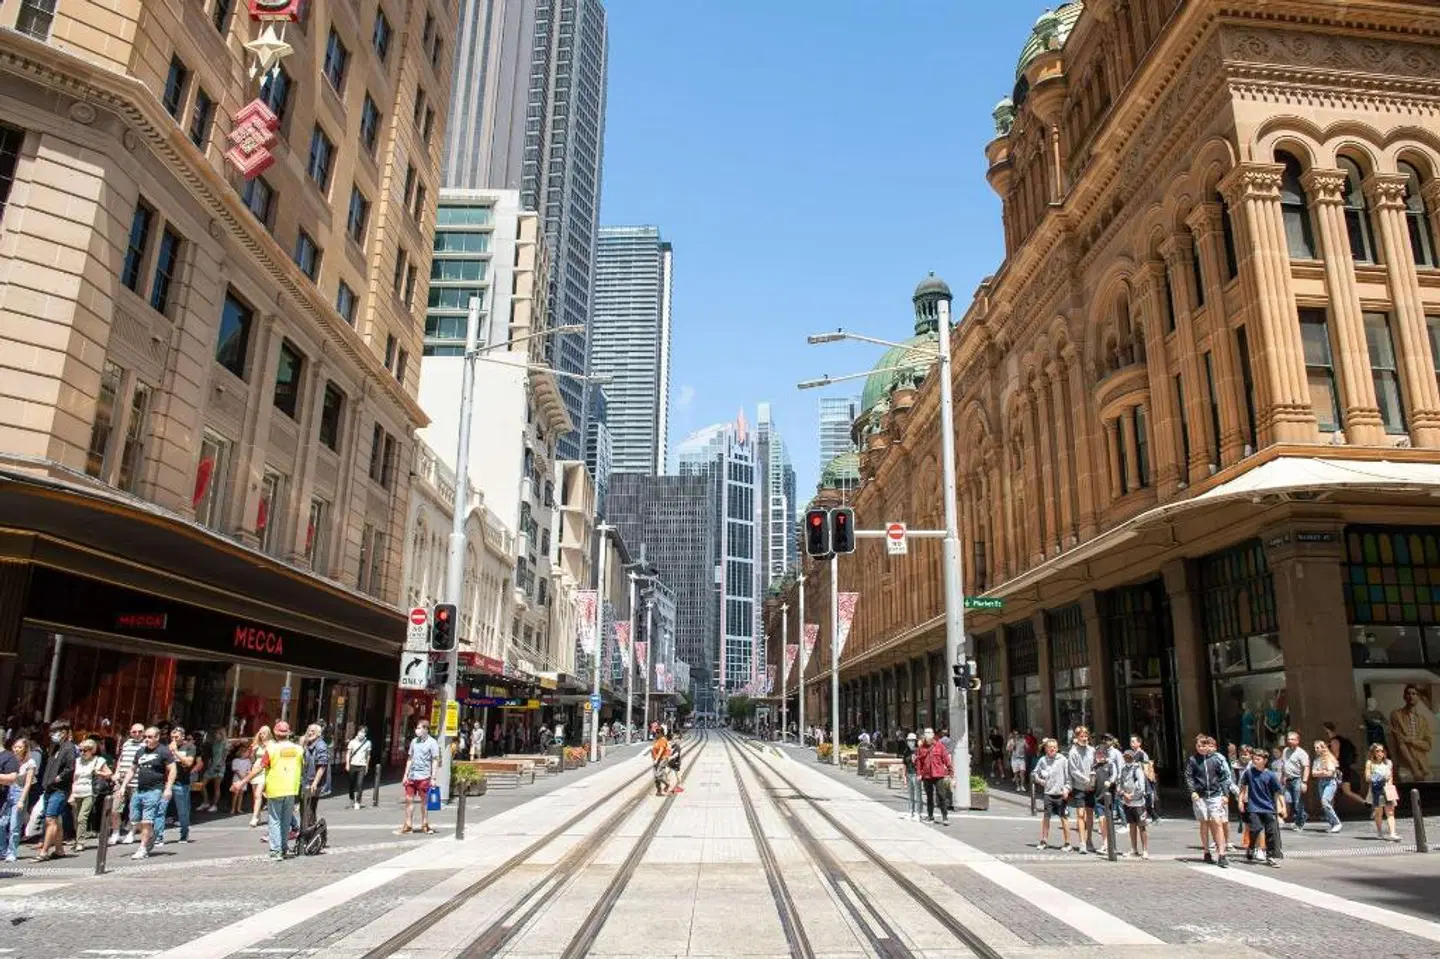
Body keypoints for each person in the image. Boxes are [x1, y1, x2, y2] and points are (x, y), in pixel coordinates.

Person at [230, 720, 304, 861]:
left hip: (275, 788)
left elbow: (258, 768)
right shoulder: (298, 749)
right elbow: (304, 767)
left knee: (275, 820)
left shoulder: (271, 749)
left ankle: (276, 851)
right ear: (288, 733)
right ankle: (283, 848)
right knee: (286, 820)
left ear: (275, 733)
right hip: (291, 789)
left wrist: (242, 781)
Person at [116, 727, 175, 860]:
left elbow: (172, 769)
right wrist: (123, 786)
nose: (147, 739)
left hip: (154, 790)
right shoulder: (141, 751)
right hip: (139, 790)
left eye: (150, 737)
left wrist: (168, 788)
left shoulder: (163, 751)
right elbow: (132, 769)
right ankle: (152, 834)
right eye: (146, 737)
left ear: (157, 737)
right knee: (134, 819)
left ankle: (142, 849)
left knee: (146, 821)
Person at [1184, 734, 1232, 868]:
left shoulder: (1216, 759)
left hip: (1215, 795)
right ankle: (1206, 851)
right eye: (1199, 746)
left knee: (1217, 821)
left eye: (1204, 745)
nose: (1202, 748)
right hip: (1200, 796)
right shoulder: (1193, 760)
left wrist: (1225, 794)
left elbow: (1223, 777)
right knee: (1204, 822)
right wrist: (1192, 791)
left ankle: (1222, 854)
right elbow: (1189, 776)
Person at [36, 719, 76, 861]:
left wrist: (58, 778)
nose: (52, 735)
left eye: (55, 732)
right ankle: (59, 850)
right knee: (56, 820)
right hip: (49, 787)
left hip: (59, 789)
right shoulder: (56, 747)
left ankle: (44, 851)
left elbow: (70, 768)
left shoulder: (69, 747)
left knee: (50, 819)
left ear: (63, 732)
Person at [1238, 749, 1283, 866]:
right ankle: (1251, 847)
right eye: (1254, 759)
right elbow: (1243, 787)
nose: (1255, 761)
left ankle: (1271, 856)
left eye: (1258, 759)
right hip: (1254, 807)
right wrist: (1240, 801)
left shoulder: (1271, 775)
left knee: (1271, 832)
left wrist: (1282, 807)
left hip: (1268, 807)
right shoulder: (1248, 773)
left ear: (1265, 760)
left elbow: (1278, 792)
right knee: (1255, 829)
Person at [68, 738, 110, 853]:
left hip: (89, 792)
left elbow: (109, 773)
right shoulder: (77, 761)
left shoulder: (98, 760)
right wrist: (72, 793)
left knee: (82, 817)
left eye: (85, 751)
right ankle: (78, 840)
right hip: (77, 791)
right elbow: (74, 779)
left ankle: (81, 842)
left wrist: (99, 772)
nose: (82, 753)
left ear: (92, 750)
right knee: (76, 818)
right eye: (80, 750)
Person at [1031, 738, 1072, 851]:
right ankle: (1044, 841)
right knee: (1046, 817)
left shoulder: (1063, 760)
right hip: (1048, 793)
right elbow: (1034, 773)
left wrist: (1066, 789)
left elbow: (1069, 777)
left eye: (1054, 747)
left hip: (1060, 793)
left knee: (1064, 818)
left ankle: (1068, 843)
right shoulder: (1042, 760)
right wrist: (1040, 781)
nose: (1052, 749)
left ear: (1057, 748)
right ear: (1046, 749)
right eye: (1050, 747)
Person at [1388, 684, 1434, 783]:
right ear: (1404, 696)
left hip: (1423, 765)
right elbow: (1400, 742)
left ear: (1418, 697)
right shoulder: (1396, 714)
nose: (1411, 696)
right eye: (1408, 693)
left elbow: (1428, 746)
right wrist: (1414, 769)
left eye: (1414, 693)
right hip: (1405, 766)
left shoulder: (1423, 720)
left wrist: (1411, 740)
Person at [109, 723, 145, 845]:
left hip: (137, 781)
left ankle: (131, 833)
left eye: (140, 731)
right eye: (134, 732)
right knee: (115, 808)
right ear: (130, 732)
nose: (137, 734)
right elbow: (121, 759)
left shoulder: (146, 745)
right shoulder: (126, 743)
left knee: (134, 810)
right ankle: (116, 833)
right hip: (121, 780)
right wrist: (117, 772)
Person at [402, 721, 440, 834]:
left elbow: (435, 760)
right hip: (412, 775)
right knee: (409, 799)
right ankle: (408, 824)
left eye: (419, 728)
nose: (417, 730)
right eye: (417, 728)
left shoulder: (432, 743)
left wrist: (433, 777)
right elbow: (410, 758)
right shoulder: (414, 741)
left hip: (424, 776)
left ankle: (425, 823)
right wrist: (405, 774)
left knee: (424, 801)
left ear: (426, 729)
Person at [1065, 727, 1097, 853]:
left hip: (1091, 787)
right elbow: (1073, 771)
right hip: (1079, 787)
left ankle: (1089, 840)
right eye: (1081, 736)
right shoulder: (1073, 752)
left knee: (1090, 814)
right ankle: (1082, 842)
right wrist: (1086, 781)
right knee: (1080, 814)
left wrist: (1092, 781)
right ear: (1077, 737)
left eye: (1085, 736)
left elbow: (1095, 765)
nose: (1084, 738)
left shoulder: (1092, 750)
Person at [1364, 743, 1403, 842]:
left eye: (1382, 750)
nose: (1380, 753)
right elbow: (1367, 778)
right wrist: (1380, 778)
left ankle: (1393, 833)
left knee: (1390, 812)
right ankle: (1379, 831)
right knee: (1379, 813)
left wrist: (1390, 788)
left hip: (1387, 789)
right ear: (1373, 752)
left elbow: (1391, 777)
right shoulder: (1370, 763)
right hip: (1377, 790)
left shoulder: (1388, 763)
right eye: (1377, 751)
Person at [5, 739, 35, 862]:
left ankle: (12, 852)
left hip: (19, 792)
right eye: (15, 746)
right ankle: (2, 849)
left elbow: (28, 784)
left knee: (14, 825)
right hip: (7, 792)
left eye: (19, 747)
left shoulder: (30, 762)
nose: (16, 749)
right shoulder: (10, 759)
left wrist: (22, 800)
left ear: (25, 749)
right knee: (2, 823)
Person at [164, 726, 196, 844]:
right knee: (161, 810)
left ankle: (184, 833)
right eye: (172, 737)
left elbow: (189, 762)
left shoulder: (189, 747)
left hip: (181, 783)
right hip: (167, 782)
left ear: (182, 736)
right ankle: (158, 837)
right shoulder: (166, 748)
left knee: (183, 811)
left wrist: (175, 752)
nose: (174, 739)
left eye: (176, 737)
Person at [916, 728, 953, 825]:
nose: (927, 734)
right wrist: (919, 774)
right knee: (929, 796)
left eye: (929, 732)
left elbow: (946, 759)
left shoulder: (939, 746)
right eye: (925, 733)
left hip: (938, 774)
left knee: (941, 795)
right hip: (927, 775)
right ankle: (930, 816)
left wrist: (951, 772)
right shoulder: (921, 748)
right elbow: (919, 762)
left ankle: (945, 817)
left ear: (933, 734)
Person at [1118, 749, 1149, 859]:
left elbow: (1141, 786)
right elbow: (1120, 784)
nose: (1127, 759)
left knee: (1142, 826)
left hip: (1138, 803)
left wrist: (1132, 796)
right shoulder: (1123, 769)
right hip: (1127, 803)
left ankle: (1145, 850)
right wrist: (1123, 794)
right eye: (1125, 757)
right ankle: (1134, 849)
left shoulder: (1137, 769)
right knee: (1131, 826)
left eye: (1129, 757)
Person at [1278, 731, 1309, 831]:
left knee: (1297, 802)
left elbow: (1306, 767)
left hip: (1297, 779)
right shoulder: (1286, 750)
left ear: (1297, 741)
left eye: (1292, 739)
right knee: (1288, 800)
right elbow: (1284, 764)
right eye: (1288, 739)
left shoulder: (1301, 753)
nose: (1289, 741)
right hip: (1287, 780)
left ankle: (1299, 823)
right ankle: (1303, 815)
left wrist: (1304, 782)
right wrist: (1282, 777)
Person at [300, 724, 329, 830]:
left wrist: (315, 783)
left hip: (312, 782)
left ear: (318, 733)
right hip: (306, 781)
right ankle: (310, 834)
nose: (310, 733)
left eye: (313, 731)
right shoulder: (308, 744)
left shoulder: (320, 745)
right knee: (307, 809)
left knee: (308, 810)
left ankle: (309, 835)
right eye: (309, 730)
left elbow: (322, 765)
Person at [1311, 738, 1342, 833]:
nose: (1316, 749)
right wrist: (1323, 772)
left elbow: (1330, 773)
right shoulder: (1316, 760)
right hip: (1321, 783)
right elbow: (1313, 773)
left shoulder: (1329, 758)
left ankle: (1337, 823)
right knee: (1327, 804)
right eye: (1315, 748)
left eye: (1318, 747)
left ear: (1323, 748)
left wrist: (1319, 772)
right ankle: (1333, 825)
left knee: (1325, 802)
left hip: (1330, 783)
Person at [1091, 740, 1116, 857]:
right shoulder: (1094, 767)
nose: (1099, 756)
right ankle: (1105, 843)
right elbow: (1092, 782)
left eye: (1101, 754)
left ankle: (1111, 845)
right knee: (1101, 821)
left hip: (1108, 797)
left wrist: (1110, 782)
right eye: (1097, 754)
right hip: (1098, 797)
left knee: (1108, 820)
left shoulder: (1110, 765)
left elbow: (1114, 776)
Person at [247, 726, 272, 827]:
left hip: (264, 770)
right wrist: (253, 751)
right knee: (255, 796)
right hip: (255, 769)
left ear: (268, 733)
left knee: (258, 794)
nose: (262, 735)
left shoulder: (271, 744)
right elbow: (252, 759)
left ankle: (254, 817)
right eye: (260, 733)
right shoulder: (257, 744)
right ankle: (258, 815)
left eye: (264, 733)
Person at [201, 728, 229, 813]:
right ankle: (206, 802)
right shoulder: (215, 743)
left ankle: (214, 805)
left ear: (221, 734)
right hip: (212, 766)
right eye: (215, 733)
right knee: (202, 784)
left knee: (216, 787)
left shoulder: (225, 744)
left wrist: (220, 766)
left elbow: (224, 757)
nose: (215, 735)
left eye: (217, 733)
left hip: (219, 767)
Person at [345, 726, 371, 810]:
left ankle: (358, 802)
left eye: (363, 732)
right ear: (358, 732)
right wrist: (347, 764)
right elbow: (348, 753)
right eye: (360, 731)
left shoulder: (368, 743)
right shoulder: (352, 742)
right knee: (351, 784)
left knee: (360, 784)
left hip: (362, 766)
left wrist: (367, 765)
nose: (361, 733)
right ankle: (351, 798)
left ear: (365, 734)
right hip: (353, 764)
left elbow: (368, 755)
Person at [900, 731, 921, 820]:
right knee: (910, 794)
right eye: (909, 740)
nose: (910, 742)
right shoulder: (906, 751)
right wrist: (903, 776)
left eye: (912, 740)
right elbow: (904, 764)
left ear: (915, 741)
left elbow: (921, 763)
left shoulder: (918, 751)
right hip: (909, 774)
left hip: (916, 774)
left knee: (918, 794)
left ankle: (918, 813)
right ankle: (910, 811)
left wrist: (915, 761)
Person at [650, 731, 671, 796]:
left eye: (657, 733)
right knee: (656, 777)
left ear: (661, 733)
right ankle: (659, 791)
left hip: (662, 759)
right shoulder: (656, 740)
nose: (656, 734)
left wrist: (656, 760)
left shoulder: (663, 740)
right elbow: (654, 750)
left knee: (658, 776)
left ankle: (667, 784)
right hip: (656, 760)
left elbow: (661, 751)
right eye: (655, 733)